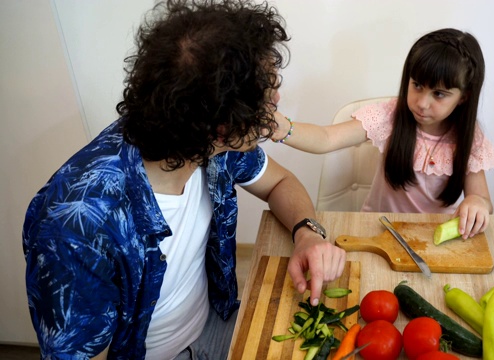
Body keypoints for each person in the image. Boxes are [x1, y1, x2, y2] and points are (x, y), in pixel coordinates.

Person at [22, 0, 346, 359]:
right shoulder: (77, 226)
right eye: (268, 103)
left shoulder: (206, 144)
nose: (277, 102)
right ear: (222, 129)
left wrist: (306, 233)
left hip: (217, 321)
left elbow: (280, 183)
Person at [270, 28, 494, 240]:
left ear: (463, 97)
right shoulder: (389, 116)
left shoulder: (469, 137)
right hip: (377, 229)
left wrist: (477, 203)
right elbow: (327, 138)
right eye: (417, 85)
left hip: (433, 236)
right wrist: (283, 128)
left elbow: (483, 199)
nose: (422, 103)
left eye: (438, 94)